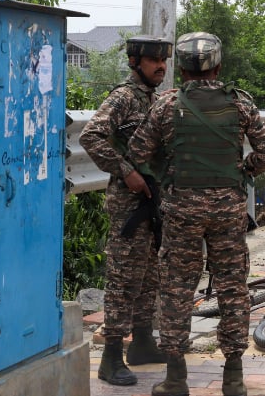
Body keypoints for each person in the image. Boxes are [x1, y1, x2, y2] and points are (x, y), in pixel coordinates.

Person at [128, 32, 265, 396]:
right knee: (232, 287)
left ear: (180, 70)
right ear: (218, 67)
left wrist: (170, 166)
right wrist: (243, 170)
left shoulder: (165, 106)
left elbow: (137, 150)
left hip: (182, 208)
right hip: (228, 209)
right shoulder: (240, 105)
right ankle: (233, 377)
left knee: (177, 287)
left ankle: (177, 378)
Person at [80, 36, 173, 386]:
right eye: (152, 61)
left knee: (150, 275)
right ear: (136, 63)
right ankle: (110, 357)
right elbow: (91, 137)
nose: (160, 66)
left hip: (153, 201)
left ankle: (143, 344)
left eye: (163, 60)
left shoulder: (155, 99)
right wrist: (125, 170)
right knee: (123, 280)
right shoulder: (123, 97)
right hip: (128, 205)